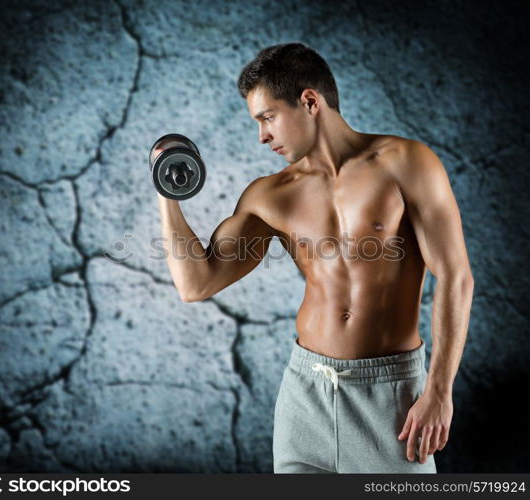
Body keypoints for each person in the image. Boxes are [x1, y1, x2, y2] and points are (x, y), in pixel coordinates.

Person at [158, 42, 474, 473]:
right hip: (305, 395)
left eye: (268, 118)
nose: (262, 136)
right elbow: (196, 284)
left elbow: (456, 276)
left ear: (309, 101)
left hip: (391, 400)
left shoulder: (406, 163)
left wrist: (439, 390)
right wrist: (167, 193)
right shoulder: (271, 195)